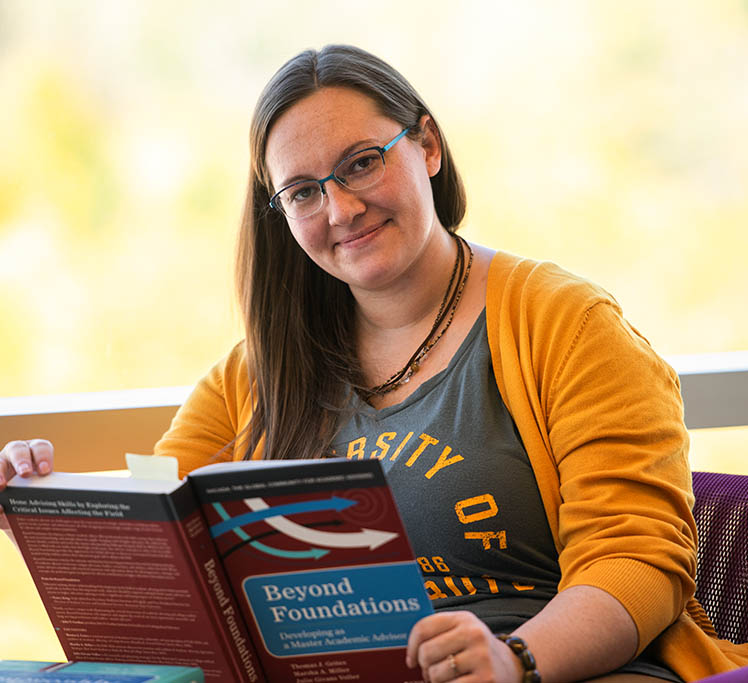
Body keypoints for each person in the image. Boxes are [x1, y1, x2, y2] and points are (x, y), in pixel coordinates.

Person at [2, 45, 747, 683]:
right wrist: (44, 501)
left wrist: (510, 657)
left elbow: (640, 559)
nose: (340, 208)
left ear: (427, 145)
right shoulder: (257, 373)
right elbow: (164, 538)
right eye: (302, 192)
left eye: (361, 164)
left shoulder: (567, 322)